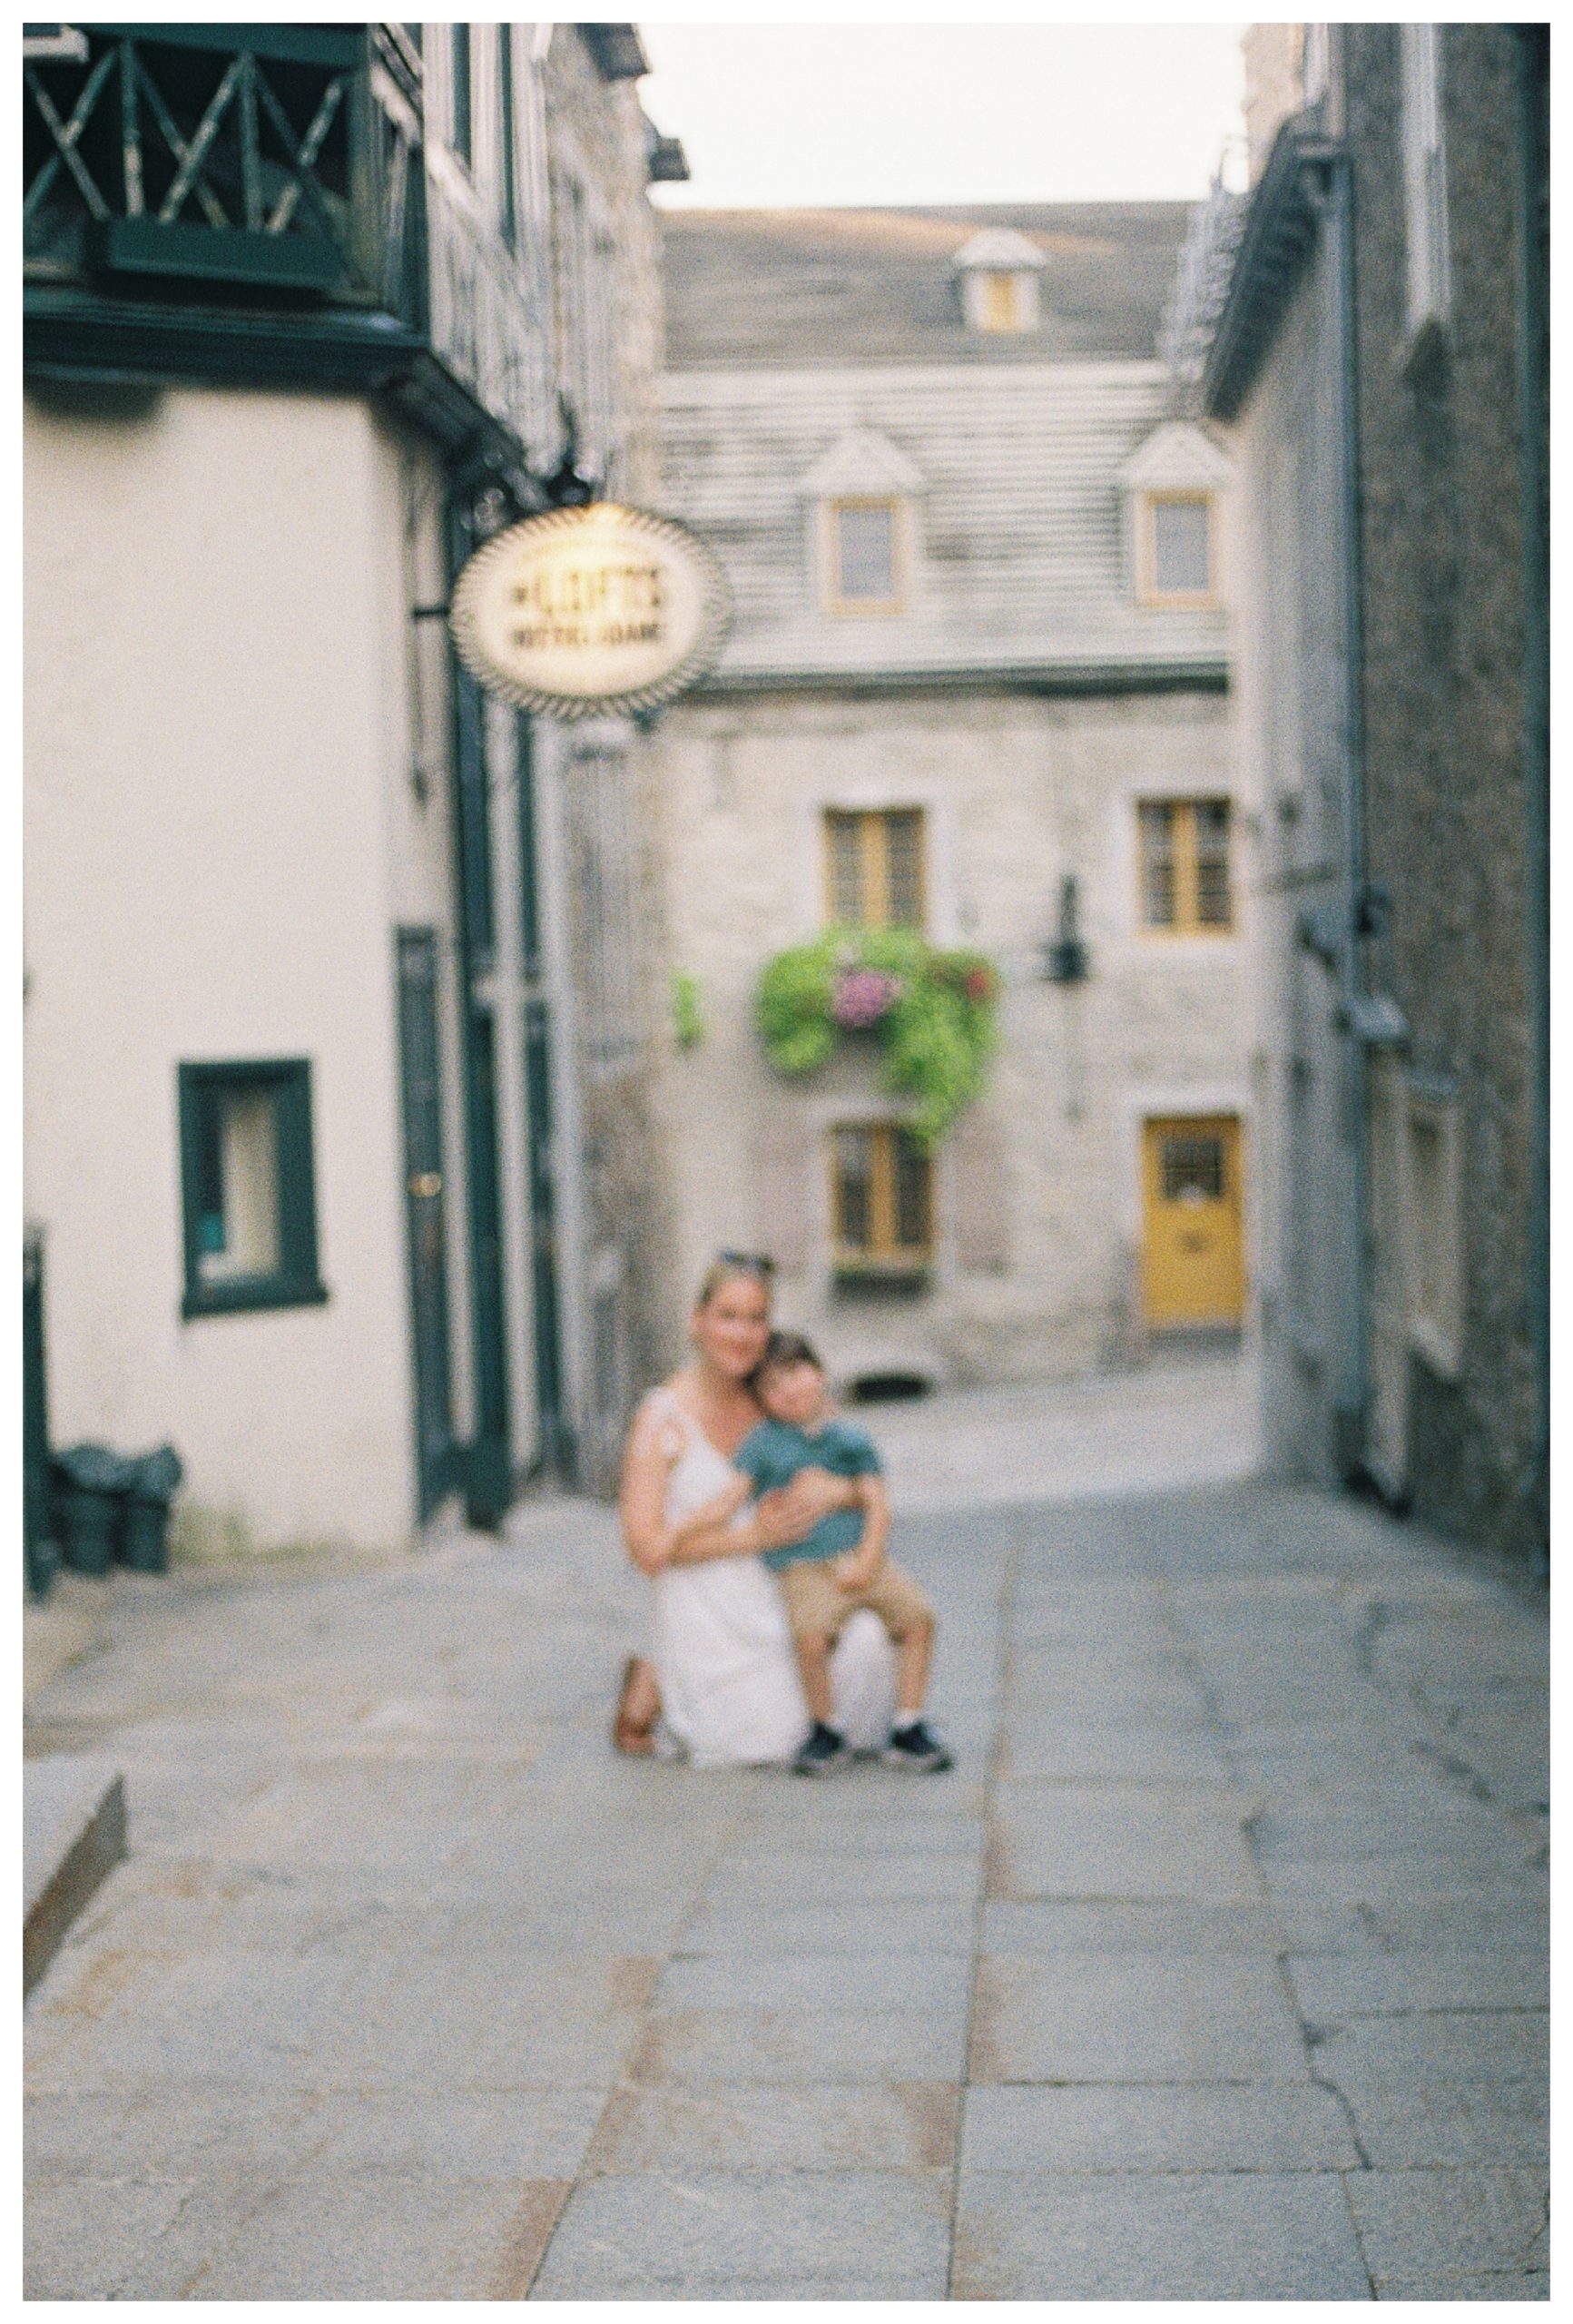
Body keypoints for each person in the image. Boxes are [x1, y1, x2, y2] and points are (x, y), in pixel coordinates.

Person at [614, 1257, 897, 1768]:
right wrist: (753, 1539)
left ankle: (653, 1675)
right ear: (696, 1321)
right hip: (707, 1600)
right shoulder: (661, 1418)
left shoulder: (777, 1399)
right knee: (768, 1738)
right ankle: (655, 1671)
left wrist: (837, 1494)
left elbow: (861, 1477)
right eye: (728, 1316)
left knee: (869, 1649)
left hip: (790, 1586)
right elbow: (644, 1550)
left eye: (756, 1318)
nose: (743, 1334)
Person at [732, 1331, 953, 1777]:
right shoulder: (765, 1443)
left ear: (819, 1374)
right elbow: (737, 1495)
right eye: (772, 1387)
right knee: (811, 1635)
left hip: (860, 1555)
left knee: (918, 1618)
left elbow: (876, 1501)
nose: (788, 1391)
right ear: (761, 1401)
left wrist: (871, 1558)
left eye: (795, 1374)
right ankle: (825, 1727)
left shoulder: (849, 1439)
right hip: (804, 1565)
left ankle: (909, 1723)